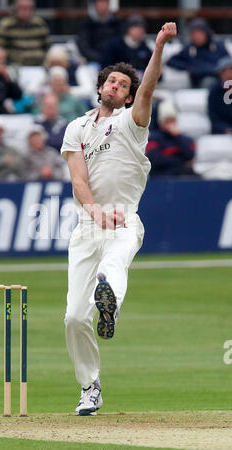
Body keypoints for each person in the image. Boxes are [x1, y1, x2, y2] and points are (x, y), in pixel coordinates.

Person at [60, 22, 177, 416]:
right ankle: (90, 386)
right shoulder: (76, 128)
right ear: (100, 86)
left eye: (122, 85)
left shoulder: (131, 123)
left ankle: (108, 301)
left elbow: (149, 88)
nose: (115, 86)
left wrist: (158, 46)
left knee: (113, 267)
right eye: (111, 81)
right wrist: (93, 212)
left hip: (124, 217)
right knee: (74, 317)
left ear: (128, 98)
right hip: (89, 225)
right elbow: (78, 179)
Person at [167, 17, 229, 88]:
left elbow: (228, 62)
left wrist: (218, 69)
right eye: (194, 34)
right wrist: (188, 67)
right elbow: (171, 61)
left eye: (199, 33)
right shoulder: (190, 49)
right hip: (196, 85)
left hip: (218, 83)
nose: (196, 37)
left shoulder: (218, 46)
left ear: (206, 33)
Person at [146, 100, 197, 177]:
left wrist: (177, 136)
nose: (170, 124)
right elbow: (155, 161)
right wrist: (181, 161)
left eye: (172, 120)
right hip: (160, 178)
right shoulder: (153, 140)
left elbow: (190, 155)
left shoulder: (185, 139)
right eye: (167, 121)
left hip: (182, 177)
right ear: (161, 122)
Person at [0, 0, 50, 66]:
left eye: (29, 8)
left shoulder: (39, 24)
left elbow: (48, 47)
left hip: (39, 66)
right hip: (14, 66)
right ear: (15, 8)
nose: (26, 11)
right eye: (22, 8)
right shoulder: (6, 25)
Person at [76, 0, 121, 67]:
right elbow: (84, 47)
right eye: (100, 2)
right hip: (93, 62)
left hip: (114, 62)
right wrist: (100, 58)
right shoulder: (86, 24)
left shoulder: (116, 23)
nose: (103, 5)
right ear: (95, 5)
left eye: (105, 2)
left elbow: (121, 44)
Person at [208, 56, 232, 134]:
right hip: (222, 132)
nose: (229, 75)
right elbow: (214, 118)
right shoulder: (214, 92)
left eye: (231, 71)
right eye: (225, 71)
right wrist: (226, 129)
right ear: (220, 74)